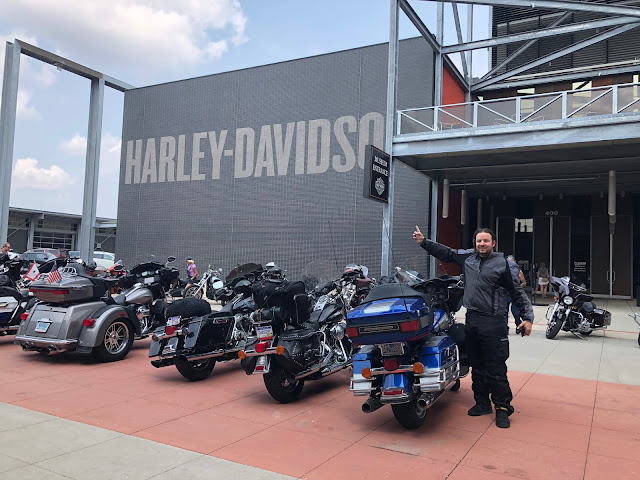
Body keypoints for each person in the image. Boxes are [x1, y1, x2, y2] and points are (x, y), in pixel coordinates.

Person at [413, 226, 534, 429]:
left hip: (494, 321)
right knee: (477, 365)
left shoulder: (504, 264)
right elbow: (447, 253)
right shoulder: (468, 258)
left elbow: (517, 292)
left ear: (493, 243)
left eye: (486, 241)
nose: (482, 244)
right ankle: (482, 402)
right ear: (475, 243)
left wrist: (527, 318)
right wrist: (424, 242)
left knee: (495, 367)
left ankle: (502, 408)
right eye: (479, 241)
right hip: (473, 318)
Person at [506, 255, 527, 331]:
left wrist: (518, 287)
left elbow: (524, 283)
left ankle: (518, 324)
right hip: (505, 293)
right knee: (504, 312)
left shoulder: (518, 271)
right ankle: (505, 328)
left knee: (515, 312)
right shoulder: (503, 271)